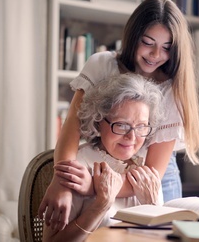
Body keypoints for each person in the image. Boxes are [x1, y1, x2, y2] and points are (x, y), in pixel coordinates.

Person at [39, 0, 199, 231]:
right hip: (102, 164)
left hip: (153, 177)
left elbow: (153, 173)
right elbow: (71, 130)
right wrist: (62, 182)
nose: (155, 54)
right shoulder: (102, 65)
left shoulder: (172, 89)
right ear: (133, 36)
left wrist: (92, 187)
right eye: (148, 42)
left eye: (167, 47)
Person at [42, 73, 163, 242]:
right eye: (121, 125)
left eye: (141, 126)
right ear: (99, 120)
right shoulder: (78, 166)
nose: (132, 137)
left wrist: (152, 207)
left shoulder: (146, 170)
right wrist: (100, 206)